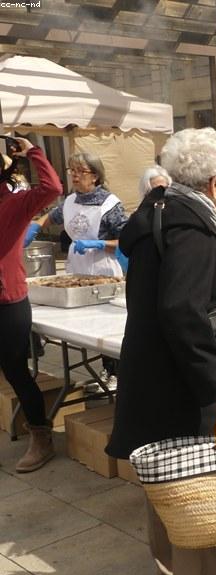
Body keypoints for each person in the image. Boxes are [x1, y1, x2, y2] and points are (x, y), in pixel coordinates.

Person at [106, 128, 216, 575]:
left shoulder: (158, 212)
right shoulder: (195, 229)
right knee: (193, 500)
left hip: (150, 378)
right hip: (179, 389)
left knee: (164, 495)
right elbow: (183, 310)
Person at [0, 137, 63, 472]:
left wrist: (33, 152)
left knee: (16, 371)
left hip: (8, 302)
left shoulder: (14, 202)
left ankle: (41, 436)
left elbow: (52, 187)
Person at [27, 152, 127, 277]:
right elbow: (51, 217)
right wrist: (35, 226)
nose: (75, 175)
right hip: (76, 268)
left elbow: (125, 242)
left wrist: (100, 244)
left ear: (94, 176)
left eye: (81, 171)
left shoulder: (110, 205)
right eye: (72, 170)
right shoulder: (70, 201)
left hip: (104, 270)